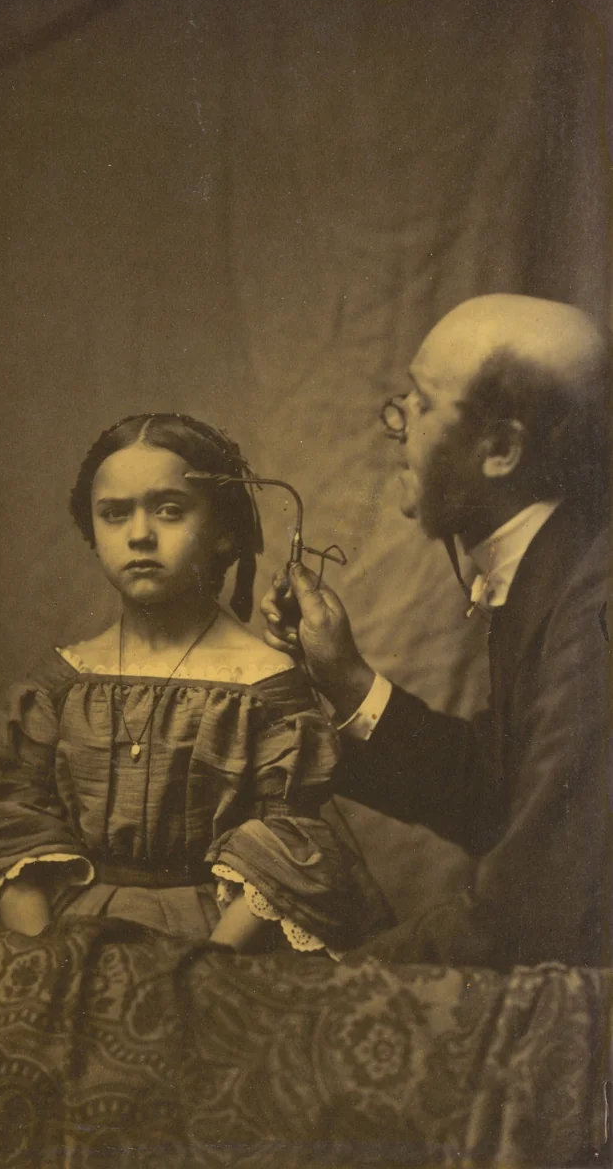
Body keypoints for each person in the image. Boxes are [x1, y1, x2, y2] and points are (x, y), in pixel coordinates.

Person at [0, 413, 391, 954]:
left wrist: (202, 971)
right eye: (115, 514)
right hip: (66, 945)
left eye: (170, 510)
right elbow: (12, 832)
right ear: (93, 533)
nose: (140, 534)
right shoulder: (60, 684)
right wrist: (47, 963)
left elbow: (286, 847)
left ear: (223, 532)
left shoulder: (266, 688)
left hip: (218, 948)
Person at [262, 294, 611, 968]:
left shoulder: (593, 607)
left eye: (419, 404)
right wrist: (349, 681)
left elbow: (529, 909)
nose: (396, 426)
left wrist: (333, 982)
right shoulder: (553, 564)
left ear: (502, 449)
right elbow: (497, 799)